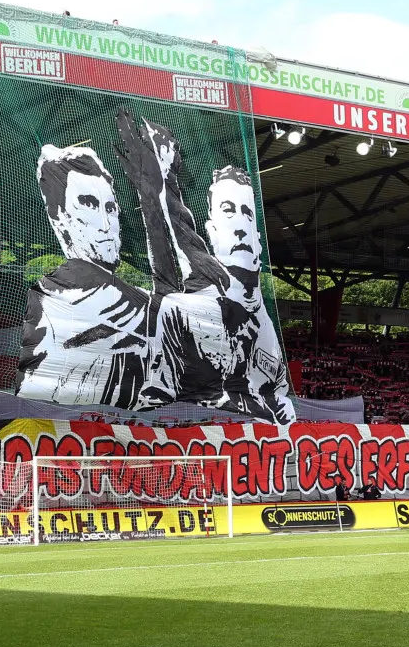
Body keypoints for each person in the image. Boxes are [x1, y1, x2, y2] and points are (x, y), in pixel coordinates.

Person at [117, 110, 292, 420]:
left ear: (257, 237)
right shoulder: (199, 295)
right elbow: (174, 230)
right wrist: (160, 180)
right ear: (212, 232)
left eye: (246, 213)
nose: (239, 224)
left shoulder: (263, 322)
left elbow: (279, 399)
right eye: (228, 211)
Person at [17, 145, 153, 407]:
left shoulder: (143, 303)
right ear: (60, 218)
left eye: (111, 208)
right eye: (89, 204)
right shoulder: (50, 301)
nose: (105, 224)